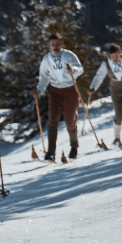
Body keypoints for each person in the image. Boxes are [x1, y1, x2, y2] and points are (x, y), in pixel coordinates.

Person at [32, 33, 84, 161]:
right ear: (50, 45)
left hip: (70, 90)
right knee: (53, 120)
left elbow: (80, 68)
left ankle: (74, 147)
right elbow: (44, 77)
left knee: (69, 121)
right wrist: (39, 90)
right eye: (52, 45)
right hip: (55, 92)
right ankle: (51, 152)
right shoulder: (46, 59)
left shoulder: (68, 55)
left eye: (57, 44)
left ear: (62, 44)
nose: (55, 47)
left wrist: (73, 71)